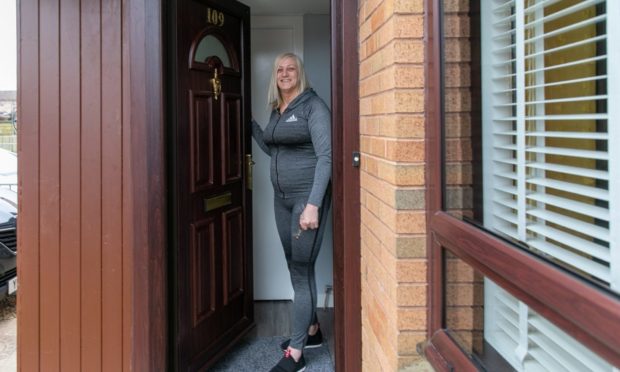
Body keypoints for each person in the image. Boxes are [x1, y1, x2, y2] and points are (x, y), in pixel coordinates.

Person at [251, 52, 331, 372]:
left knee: (301, 270)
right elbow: (273, 146)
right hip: (281, 199)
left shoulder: (314, 107)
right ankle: (311, 331)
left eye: (291, 69)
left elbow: (326, 157)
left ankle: (296, 353)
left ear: (300, 73)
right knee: (294, 265)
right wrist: (252, 126)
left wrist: (313, 205)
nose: (285, 74)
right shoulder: (278, 109)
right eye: (280, 70)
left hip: (305, 200)